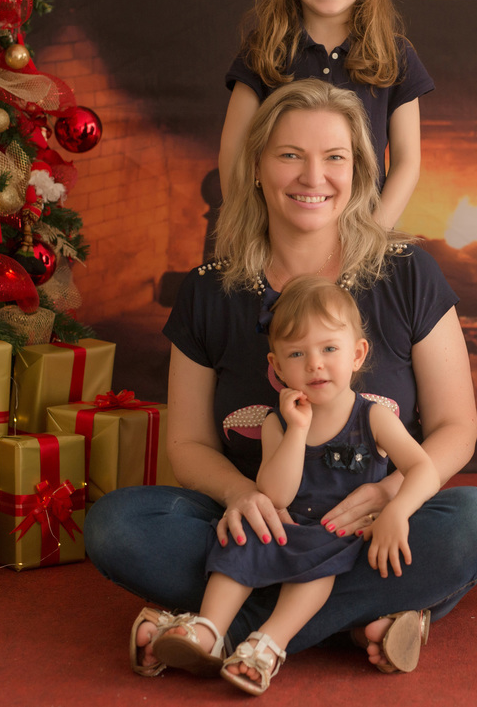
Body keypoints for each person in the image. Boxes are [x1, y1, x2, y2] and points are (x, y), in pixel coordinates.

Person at [84, 78, 477, 677]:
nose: (314, 177)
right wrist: (241, 497)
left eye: (334, 157)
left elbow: (455, 427)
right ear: (257, 167)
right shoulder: (209, 289)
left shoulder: (409, 272)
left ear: (359, 171)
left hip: (367, 528)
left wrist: (389, 497)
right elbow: (187, 445)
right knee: (116, 527)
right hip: (261, 528)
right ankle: (364, 620)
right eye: (290, 155)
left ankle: (221, 628)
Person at [148, 275, 441, 695]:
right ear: (278, 366)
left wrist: (396, 509)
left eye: (329, 349)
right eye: (297, 354)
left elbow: (425, 469)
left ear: (358, 354)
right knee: (243, 536)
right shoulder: (277, 423)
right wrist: (298, 431)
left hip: (342, 540)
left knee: (325, 564)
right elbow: (277, 494)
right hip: (286, 528)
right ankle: (208, 630)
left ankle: (268, 643)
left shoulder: (373, 417)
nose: (315, 364)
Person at [218, 0, 433, 229]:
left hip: (362, 239)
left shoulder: (395, 55)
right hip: (279, 238)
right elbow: (233, 152)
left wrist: (372, 238)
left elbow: (408, 161)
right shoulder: (264, 48)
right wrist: (248, 232)